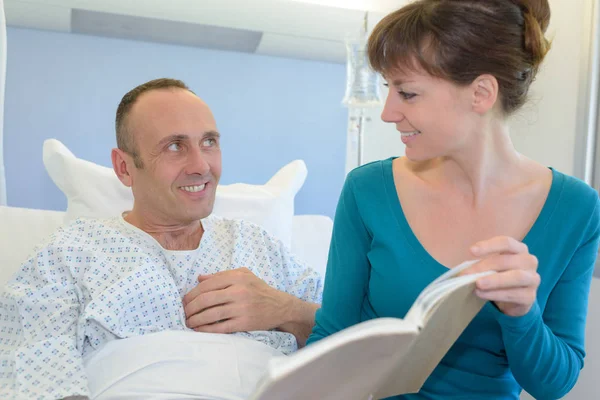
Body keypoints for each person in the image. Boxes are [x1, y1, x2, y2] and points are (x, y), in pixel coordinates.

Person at [307, 0, 600, 399]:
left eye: (407, 93)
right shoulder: (367, 190)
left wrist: (522, 314)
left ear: (480, 93)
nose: (389, 112)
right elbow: (330, 338)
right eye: (388, 89)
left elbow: (555, 385)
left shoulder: (576, 209)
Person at [0, 78, 322, 399]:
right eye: (174, 147)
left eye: (209, 142)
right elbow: (35, 370)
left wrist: (284, 309)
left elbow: (354, 338)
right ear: (124, 168)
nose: (201, 166)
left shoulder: (258, 246)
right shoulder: (70, 254)